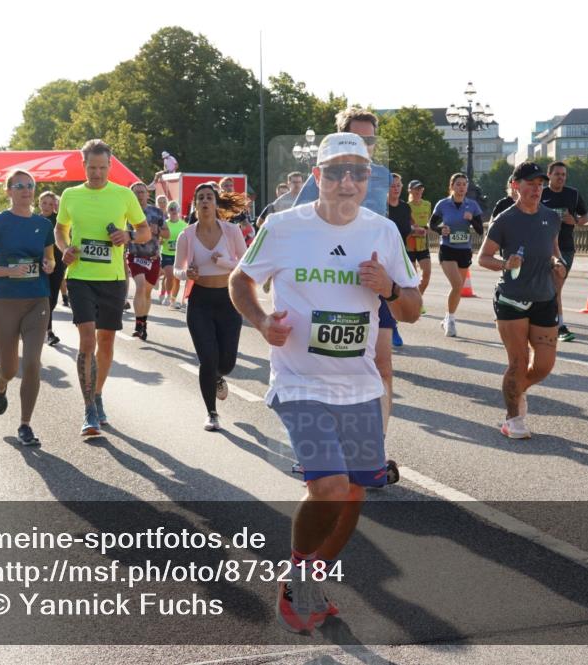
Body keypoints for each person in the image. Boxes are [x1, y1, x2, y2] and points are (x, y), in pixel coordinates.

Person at [229, 132, 421, 633]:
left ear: (368, 179)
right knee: (330, 486)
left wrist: (389, 288)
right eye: (335, 172)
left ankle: (311, 577)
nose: (346, 182)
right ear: (317, 177)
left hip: (359, 386)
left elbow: (412, 310)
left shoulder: (383, 232)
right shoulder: (283, 226)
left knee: (353, 494)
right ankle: (296, 575)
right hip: (300, 381)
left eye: (357, 172)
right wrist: (262, 321)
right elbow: (240, 280)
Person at [290, 108, 401, 435]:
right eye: (357, 138)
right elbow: (299, 219)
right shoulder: (325, 175)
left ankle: (376, 449)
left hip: (373, 280)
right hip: (331, 283)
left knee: (382, 367)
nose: (365, 145)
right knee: (329, 370)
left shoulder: (382, 174)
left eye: (370, 139)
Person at [54, 139, 150, 436]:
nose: (96, 173)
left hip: (113, 279)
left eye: (102, 168)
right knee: (87, 340)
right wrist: (65, 248)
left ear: (110, 166)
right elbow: (60, 229)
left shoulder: (123, 195)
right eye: (92, 168)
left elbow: (145, 232)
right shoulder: (70, 195)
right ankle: (89, 410)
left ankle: (97, 394)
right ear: (83, 166)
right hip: (80, 276)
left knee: (106, 340)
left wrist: (128, 235)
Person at [478, 162, 565, 439]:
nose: (537, 190)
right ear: (516, 186)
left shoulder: (551, 217)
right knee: (518, 362)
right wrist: (506, 263)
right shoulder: (505, 220)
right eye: (531, 184)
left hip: (544, 298)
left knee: (544, 365)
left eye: (540, 185)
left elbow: (553, 250)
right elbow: (483, 258)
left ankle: (517, 390)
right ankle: (513, 419)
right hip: (511, 300)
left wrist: (557, 263)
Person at [0, 170, 55, 446]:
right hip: (4, 302)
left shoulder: (43, 225)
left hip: (37, 300)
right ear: (8, 191)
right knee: (9, 368)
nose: (26, 190)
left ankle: (25, 425)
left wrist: (49, 265)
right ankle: (0, 384)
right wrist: (9, 270)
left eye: (30, 185)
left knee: (32, 363)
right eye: (19, 185)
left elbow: (50, 260)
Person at [173, 183, 248, 431]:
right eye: (200, 198)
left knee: (226, 363)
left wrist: (224, 262)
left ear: (216, 203)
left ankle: (218, 376)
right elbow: (177, 269)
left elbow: (246, 263)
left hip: (228, 300)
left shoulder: (231, 231)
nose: (205, 201)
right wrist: (187, 273)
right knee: (207, 359)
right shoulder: (187, 235)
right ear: (195, 205)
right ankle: (211, 413)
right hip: (200, 301)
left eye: (209, 197)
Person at [429, 173, 483, 337]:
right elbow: (432, 224)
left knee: (458, 288)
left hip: (464, 251)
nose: (461, 187)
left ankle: (448, 316)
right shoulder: (443, 204)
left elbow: (480, 230)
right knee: (457, 284)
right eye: (458, 184)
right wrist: (441, 230)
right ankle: (451, 321)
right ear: (452, 186)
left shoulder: (472, 205)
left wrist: (472, 219)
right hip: (447, 248)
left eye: (464, 184)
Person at [540, 162, 588, 342]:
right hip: (543, 246)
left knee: (556, 287)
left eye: (563, 174)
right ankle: (546, 321)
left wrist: (575, 220)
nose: (561, 177)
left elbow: (585, 217)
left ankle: (559, 326)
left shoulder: (573, 194)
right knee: (543, 287)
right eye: (557, 174)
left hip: (565, 248)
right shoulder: (541, 194)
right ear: (549, 175)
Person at [127, 182, 168, 341]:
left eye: (142, 192)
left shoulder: (156, 212)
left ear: (147, 194)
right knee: (140, 286)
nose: (139, 195)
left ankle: (143, 323)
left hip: (153, 258)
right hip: (135, 255)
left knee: (147, 293)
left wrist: (158, 230)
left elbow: (167, 234)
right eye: (136, 192)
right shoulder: (127, 212)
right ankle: (138, 325)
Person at [386, 174, 413, 351]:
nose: (396, 188)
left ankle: (392, 324)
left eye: (398, 185)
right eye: (392, 185)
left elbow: (405, 231)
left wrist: (416, 230)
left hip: (400, 255)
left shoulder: (405, 207)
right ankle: (391, 328)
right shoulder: (380, 207)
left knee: (396, 293)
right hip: (383, 255)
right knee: (386, 293)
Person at [37, 191, 65, 346]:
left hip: (58, 262)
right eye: (44, 203)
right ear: (39, 203)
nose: (47, 206)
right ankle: (48, 331)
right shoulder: (34, 220)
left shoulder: (59, 220)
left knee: (53, 298)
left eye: (50, 203)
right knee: (44, 297)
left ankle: (44, 327)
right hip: (39, 263)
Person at [406, 180, 432, 301]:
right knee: (413, 277)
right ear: (410, 190)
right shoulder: (405, 207)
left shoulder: (427, 204)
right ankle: (414, 302)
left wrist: (426, 228)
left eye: (420, 189)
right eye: (416, 189)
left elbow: (428, 221)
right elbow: (403, 225)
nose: (418, 191)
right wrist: (413, 229)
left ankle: (418, 299)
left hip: (423, 244)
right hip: (409, 245)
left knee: (427, 273)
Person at [159, 200, 187, 309]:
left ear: (179, 210)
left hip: (179, 255)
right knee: (170, 276)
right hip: (166, 254)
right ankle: (167, 295)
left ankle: (173, 300)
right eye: (171, 208)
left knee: (177, 279)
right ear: (168, 211)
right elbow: (160, 238)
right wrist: (161, 241)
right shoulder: (165, 224)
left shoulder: (184, 225)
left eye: (176, 208)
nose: (174, 210)